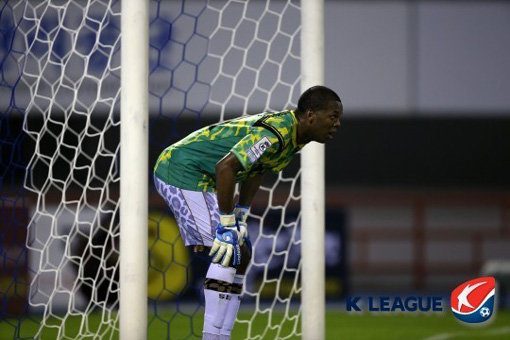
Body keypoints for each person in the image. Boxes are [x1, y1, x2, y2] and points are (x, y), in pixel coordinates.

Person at [153, 85, 342, 340]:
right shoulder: (276, 132)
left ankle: (224, 333)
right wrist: (227, 222)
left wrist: (241, 213)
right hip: (180, 170)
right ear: (310, 115)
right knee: (227, 249)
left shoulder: (293, 139)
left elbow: (255, 169)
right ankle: (213, 336)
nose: (337, 124)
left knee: (243, 254)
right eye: (333, 116)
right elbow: (225, 167)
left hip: (203, 177)